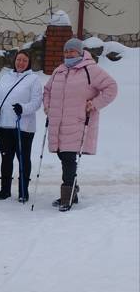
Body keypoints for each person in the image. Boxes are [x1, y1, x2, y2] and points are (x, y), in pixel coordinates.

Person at [43, 38, 117, 211]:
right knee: (62, 156)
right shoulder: (59, 70)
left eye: (72, 51)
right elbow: (47, 91)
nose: (68, 54)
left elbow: (111, 87)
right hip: (58, 124)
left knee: (68, 158)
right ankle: (72, 190)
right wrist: (47, 106)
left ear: (80, 52)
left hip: (77, 122)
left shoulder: (90, 70)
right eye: (66, 51)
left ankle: (66, 197)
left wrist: (95, 104)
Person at [0, 50, 43, 202]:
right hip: (4, 125)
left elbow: (36, 102)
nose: (21, 63)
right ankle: (5, 190)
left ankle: (23, 191)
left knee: (23, 158)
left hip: (23, 126)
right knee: (6, 158)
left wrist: (23, 108)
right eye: (19, 60)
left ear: (29, 63)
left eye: (24, 60)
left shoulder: (33, 79)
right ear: (14, 61)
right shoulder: (6, 77)